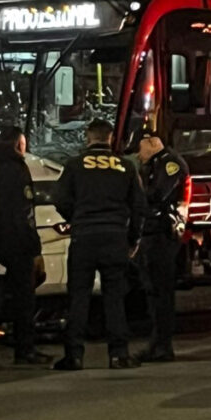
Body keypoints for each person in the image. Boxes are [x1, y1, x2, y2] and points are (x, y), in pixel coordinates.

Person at [52, 119, 147, 370]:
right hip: (114, 237)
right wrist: (132, 239)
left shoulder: (74, 165)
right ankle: (118, 355)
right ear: (110, 137)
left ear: (88, 137)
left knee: (78, 298)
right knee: (115, 298)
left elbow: (59, 198)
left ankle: (74, 356)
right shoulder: (125, 166)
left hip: (84, 238)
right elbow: (139, 207)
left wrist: (77, 218)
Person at [0, 127, 53, 365]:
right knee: (25, 298)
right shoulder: (18, 169)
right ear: (19, 144)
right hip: (18, 242)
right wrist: (35, 249)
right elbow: (25, 213)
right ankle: (25, 349)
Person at [134, 130, 189, 363]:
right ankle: (157, 344)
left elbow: (157, 195)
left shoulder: (170, 164)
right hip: (152, 234)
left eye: (140, 148)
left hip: (162, 236)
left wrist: (134, 190)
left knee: (161, 292)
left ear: (153, 143)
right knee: (153, 292)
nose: (138, 154)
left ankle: (162, 346)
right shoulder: (157, 163)